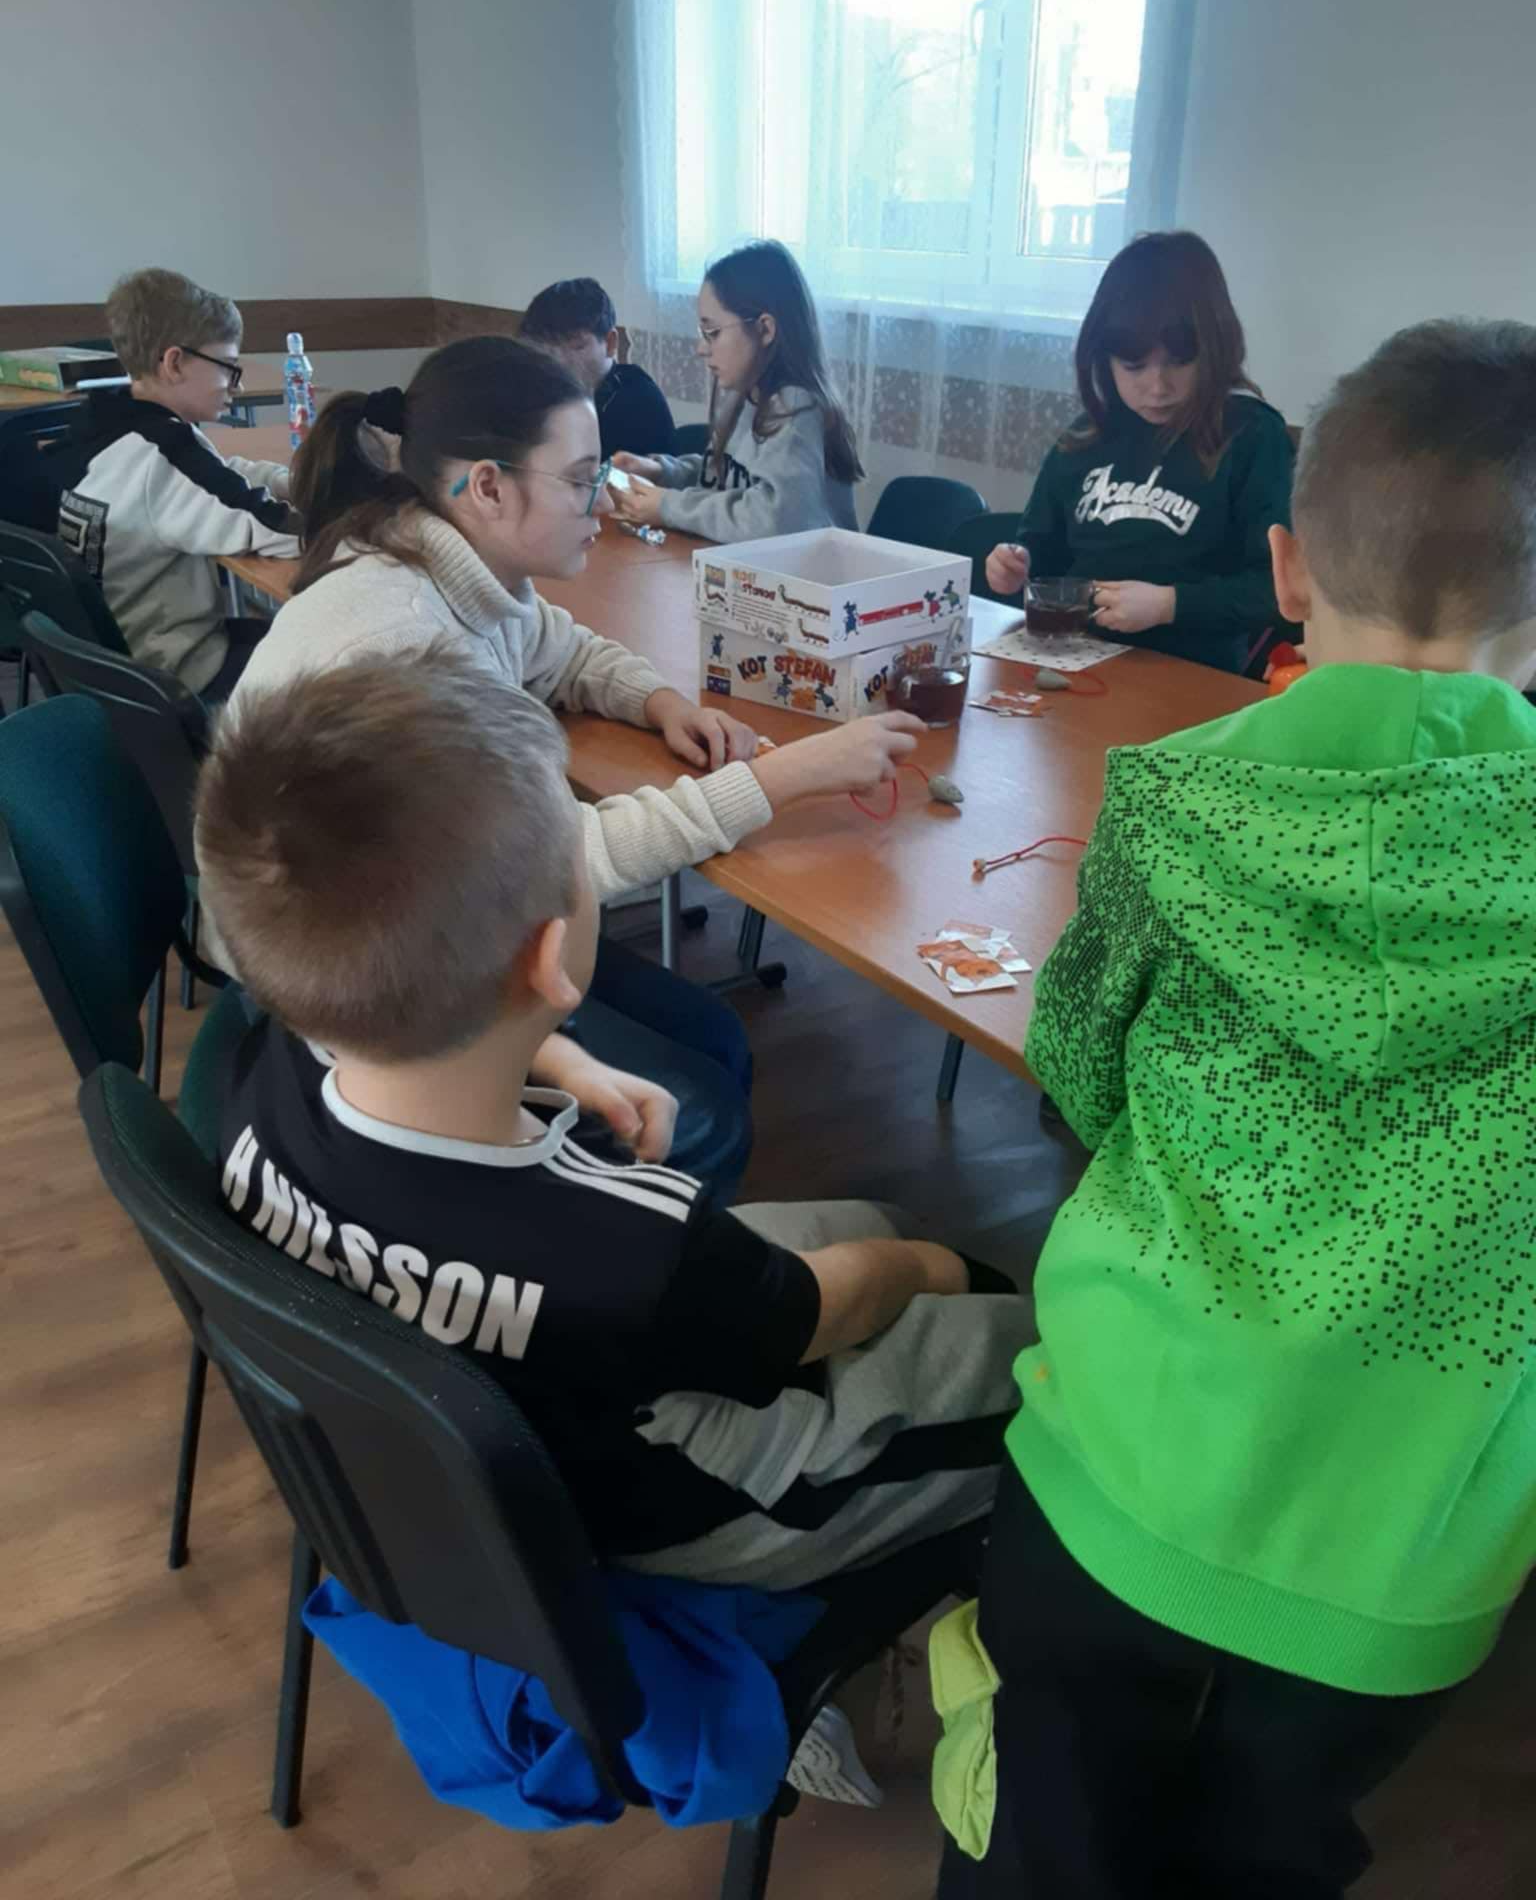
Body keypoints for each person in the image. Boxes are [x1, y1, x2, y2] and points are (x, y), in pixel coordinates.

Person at [936, 319, 1536, 1898]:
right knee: (1270, 1856)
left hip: (1122, 1457)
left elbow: (1078, 1065)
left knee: (1045, 1829)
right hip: (1403, 1552)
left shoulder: (1174, 798)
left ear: (1283, 564)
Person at [201, 647, 1032, 1588]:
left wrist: (564, 1057)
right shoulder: (632, 1239)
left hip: (522, 1411)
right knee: (1035, 1360)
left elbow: (407, 1034)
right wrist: (928, 1271)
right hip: (684, 1494)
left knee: (878, 1227)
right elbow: (811, 1315)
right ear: (550, 956)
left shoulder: (260, 1069)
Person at [225, 334, 924, 1197]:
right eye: (581, 478)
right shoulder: (403, 647)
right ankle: (627, 1238)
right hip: (354, 1003)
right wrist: (781, 780)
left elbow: (561, 647)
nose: (605, 499)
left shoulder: (438, 558)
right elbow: (555, 871)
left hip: (413, 937)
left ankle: (665, 1227)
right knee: (703, 1105)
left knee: (713, 1036)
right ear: (488, 487)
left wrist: (660, 703)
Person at [983, 231, 1292, 672]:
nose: (1158, 387)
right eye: (1134, 366)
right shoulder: (1085, 436)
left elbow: (1274, 589)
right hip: (1074, 657)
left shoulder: (1253, 436)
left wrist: (1170, 605)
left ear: (1214, 350)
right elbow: (1040, 549)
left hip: (1191, 671)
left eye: (1180, 362)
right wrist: (1016, 565)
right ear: (1104, 360)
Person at [50, 267, 299, 701]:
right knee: (336, 658)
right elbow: (274, 527)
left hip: (115, 675)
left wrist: (290, 481)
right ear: (175, 363)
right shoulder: (166, 451)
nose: (236, 386)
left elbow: (216, 475)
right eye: (228, 367)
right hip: (179, 681)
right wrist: (363, 514)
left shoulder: (105, 428)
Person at [608, 239, 861, 543]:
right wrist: (663, 472)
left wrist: (667, 506)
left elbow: (776, 522)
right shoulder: (746, 397)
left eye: (712, 332)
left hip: (807, 571)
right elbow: (727, 480)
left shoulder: (796, 407)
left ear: (765, 329)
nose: (701, 348)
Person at [520, 277, 676, 459]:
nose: (559, 360)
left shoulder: (639, 401)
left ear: (610, 343)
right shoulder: (537, 390)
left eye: (576, 346)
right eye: (547, 349)